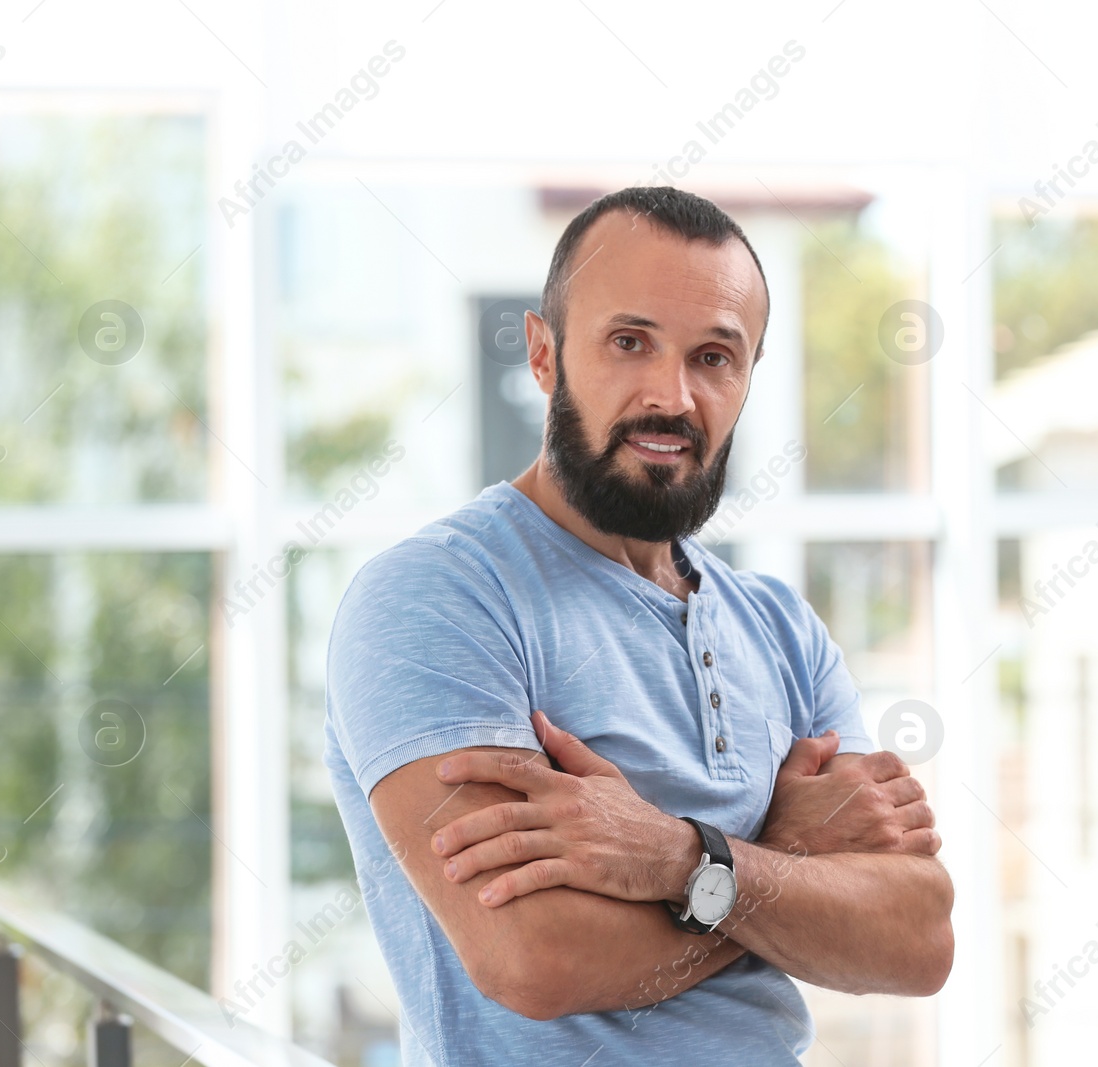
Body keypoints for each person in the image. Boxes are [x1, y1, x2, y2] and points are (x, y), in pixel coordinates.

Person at [324, 185, 953, 1065]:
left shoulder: (782, 627)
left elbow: (915, 938)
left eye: (714, 356)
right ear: (544, 355)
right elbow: (533, 959)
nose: (673, 394)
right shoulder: (437, 597)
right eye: (630, 342)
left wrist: (672, 858)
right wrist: (784, 856)